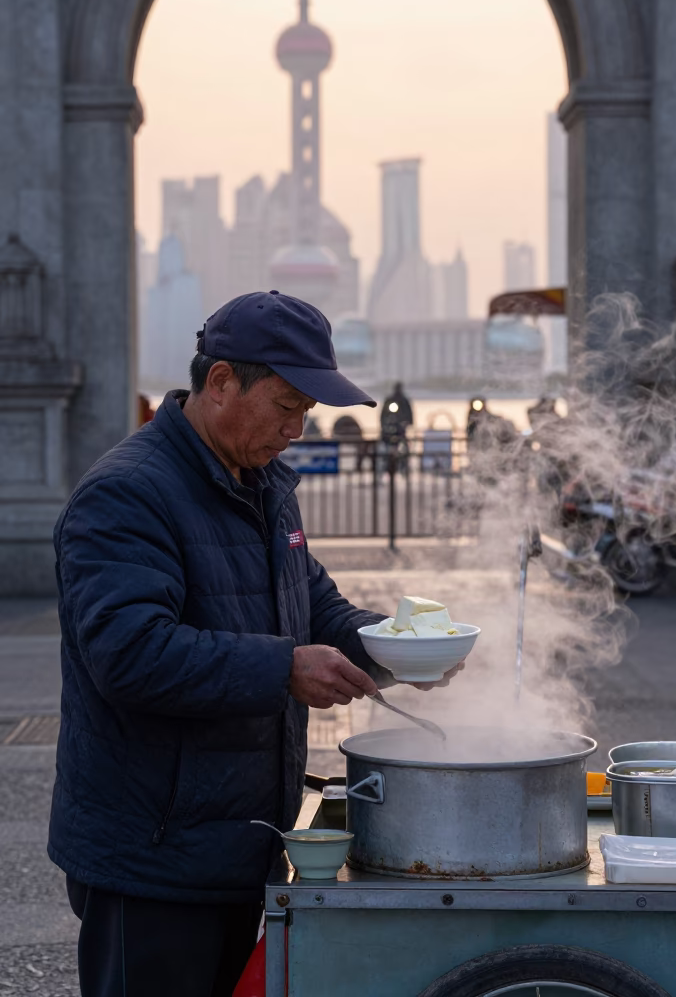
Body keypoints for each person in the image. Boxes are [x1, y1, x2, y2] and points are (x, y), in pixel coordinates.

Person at [49, 291, 460, 997]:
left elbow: (314, 604)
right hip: (153, 861)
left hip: (243, 846)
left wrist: (400, 647)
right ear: (220, 385)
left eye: (308, 412)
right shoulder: (126, 494)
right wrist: (284, 668)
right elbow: (130, 655)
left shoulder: (265, 481)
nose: (298, 429)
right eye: (287, 406)